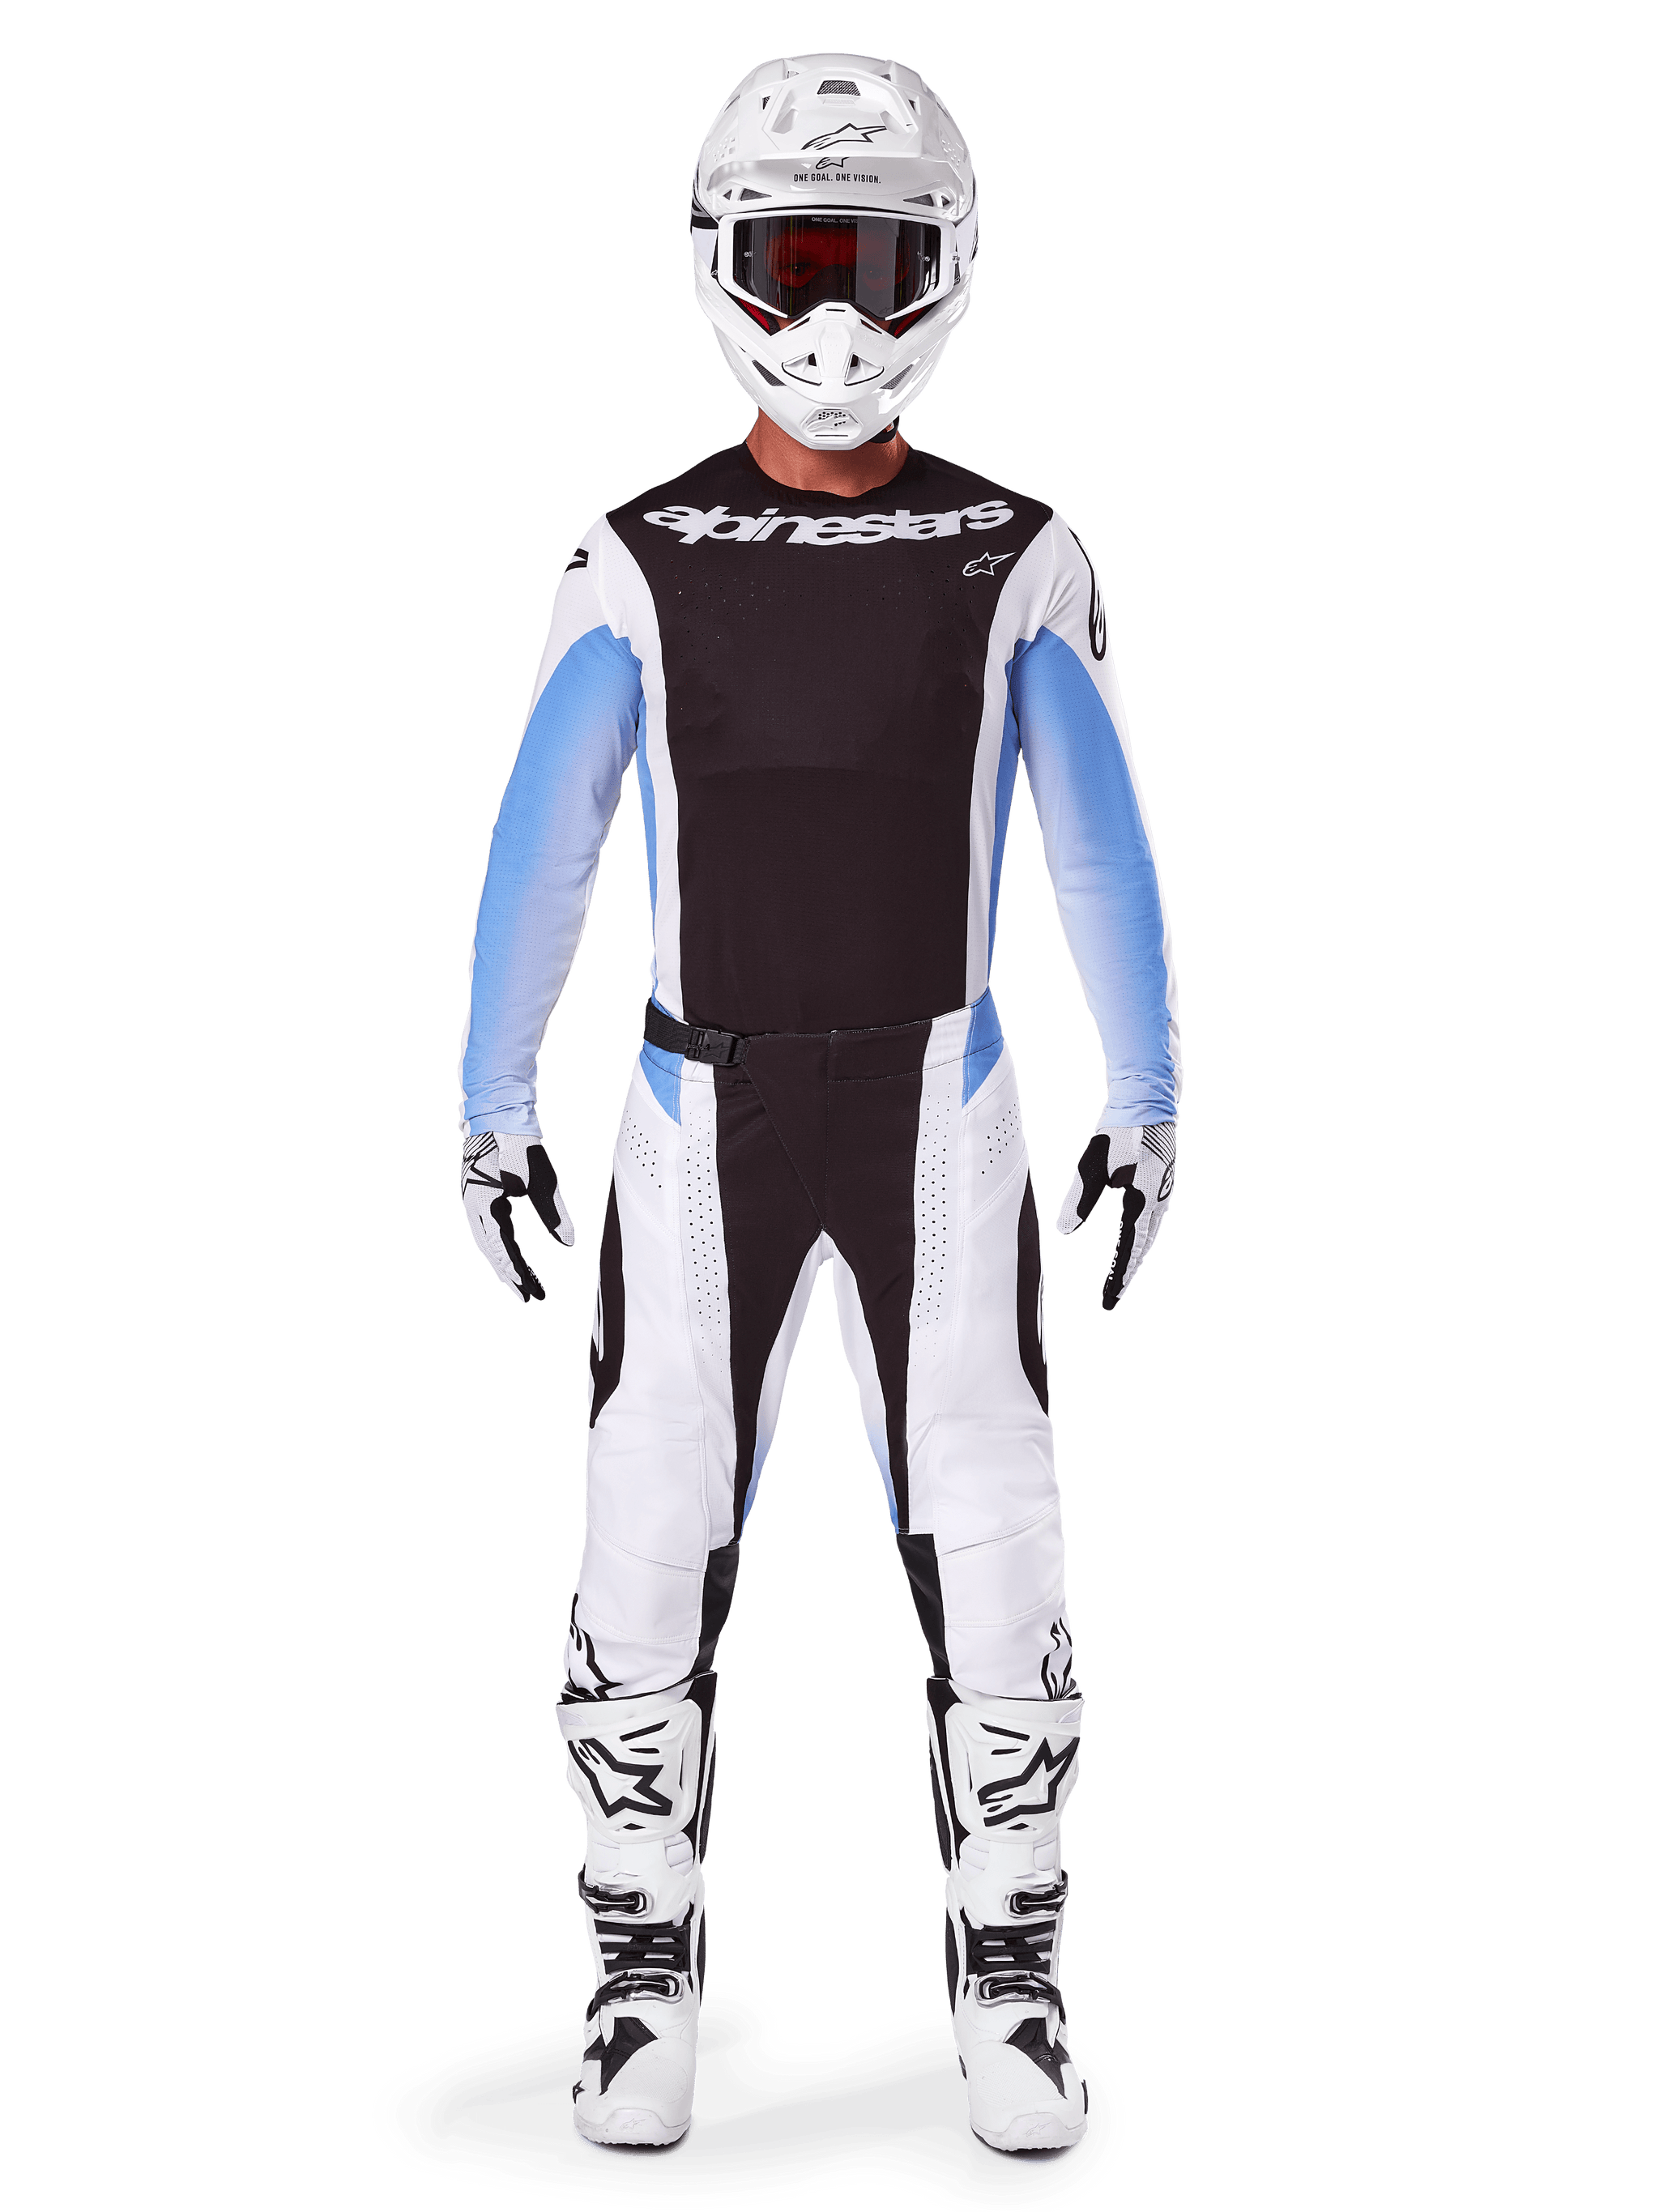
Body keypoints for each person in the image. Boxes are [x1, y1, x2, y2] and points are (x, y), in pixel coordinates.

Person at [455, 50, 1182, 2169]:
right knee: (645, 1534)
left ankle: (1012, 1984)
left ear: (954, 267)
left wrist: (1149, 1090)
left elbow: (1098, 834)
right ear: (718, 265)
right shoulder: (638, 555)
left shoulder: (1015, 552)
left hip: (944, 1105)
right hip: (700, 1111)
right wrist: (492, 1096)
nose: (840, 321)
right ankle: (640, 1979)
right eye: (797, 264)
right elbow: (549, 831)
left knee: (1000, 1544)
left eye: (882, 264)